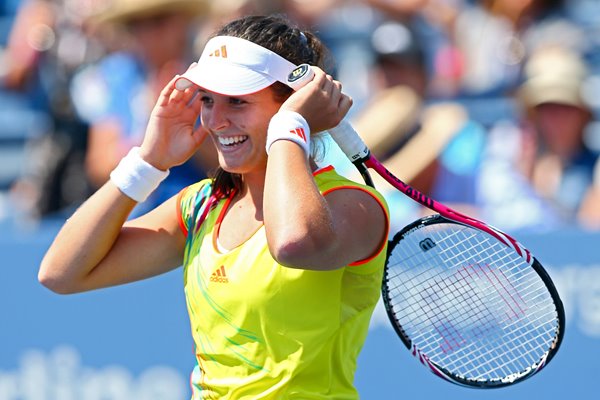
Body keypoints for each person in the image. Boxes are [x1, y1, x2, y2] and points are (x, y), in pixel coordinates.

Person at [38, 14, 389, 399]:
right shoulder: (201, 205)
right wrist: (148, 161)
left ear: (295, 102)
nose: (216, 121)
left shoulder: (356, 204)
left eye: (237, 101)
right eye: (208, 100)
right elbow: (60, 273)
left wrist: (291, 125)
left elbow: (292, 243)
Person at [70, 0, 217, 217]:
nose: (147, 34)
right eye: (136, 24)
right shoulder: (117, 76)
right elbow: (99, 166)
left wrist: (186, 130)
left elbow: (228, 165)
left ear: (183, 22)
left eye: (159, 20)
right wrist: (153, 129)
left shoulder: (213, 75)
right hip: (137, 217)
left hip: (200, 211)